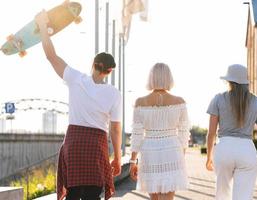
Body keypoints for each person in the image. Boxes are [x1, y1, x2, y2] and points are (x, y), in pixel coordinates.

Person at [35, 10, 122, 200]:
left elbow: (51, 56)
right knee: (92, 194)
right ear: (109, 71)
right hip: (96, 146)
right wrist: (117, 157)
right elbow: (115, 130)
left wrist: (42, 26)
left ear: (93, 64)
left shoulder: (75, 79)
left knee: (73, 194)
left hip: (74, 142)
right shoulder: (114, 93)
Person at [206, 64, 257, 200]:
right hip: (247, 151)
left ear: (229, 81)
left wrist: (209, 157)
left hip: (224, 149)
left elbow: (211, 133)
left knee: (221, 195)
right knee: (243, 197)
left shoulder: (218, 99)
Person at [129, 63, 190, 200]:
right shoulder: (179, 101)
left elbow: (137, 134)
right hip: (173, 149)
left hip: (149, 149)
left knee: (154, 197)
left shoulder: (140, 102)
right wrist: (182, 154)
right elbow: (184, 132)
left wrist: (133, 161)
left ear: (151, 78)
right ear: (169, 78)